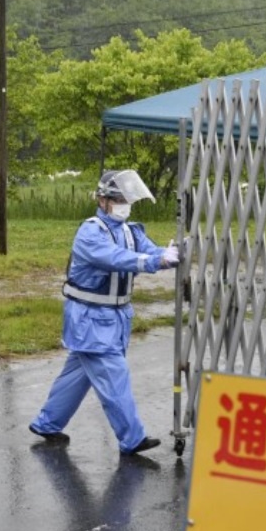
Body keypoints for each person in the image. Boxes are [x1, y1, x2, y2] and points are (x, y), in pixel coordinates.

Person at [29, 169, 178, 456]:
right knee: (113, 375)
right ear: (102, 201)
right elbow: (116, 258)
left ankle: (47, 423)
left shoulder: (130, 231)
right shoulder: (91, 232)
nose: (125, 205)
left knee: (77, 375)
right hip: (90, 318)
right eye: (119, 199)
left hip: (114, 317)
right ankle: (132, 438)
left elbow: (149, 251)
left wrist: (168, 254)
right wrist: (155, 261)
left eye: (127, 200)